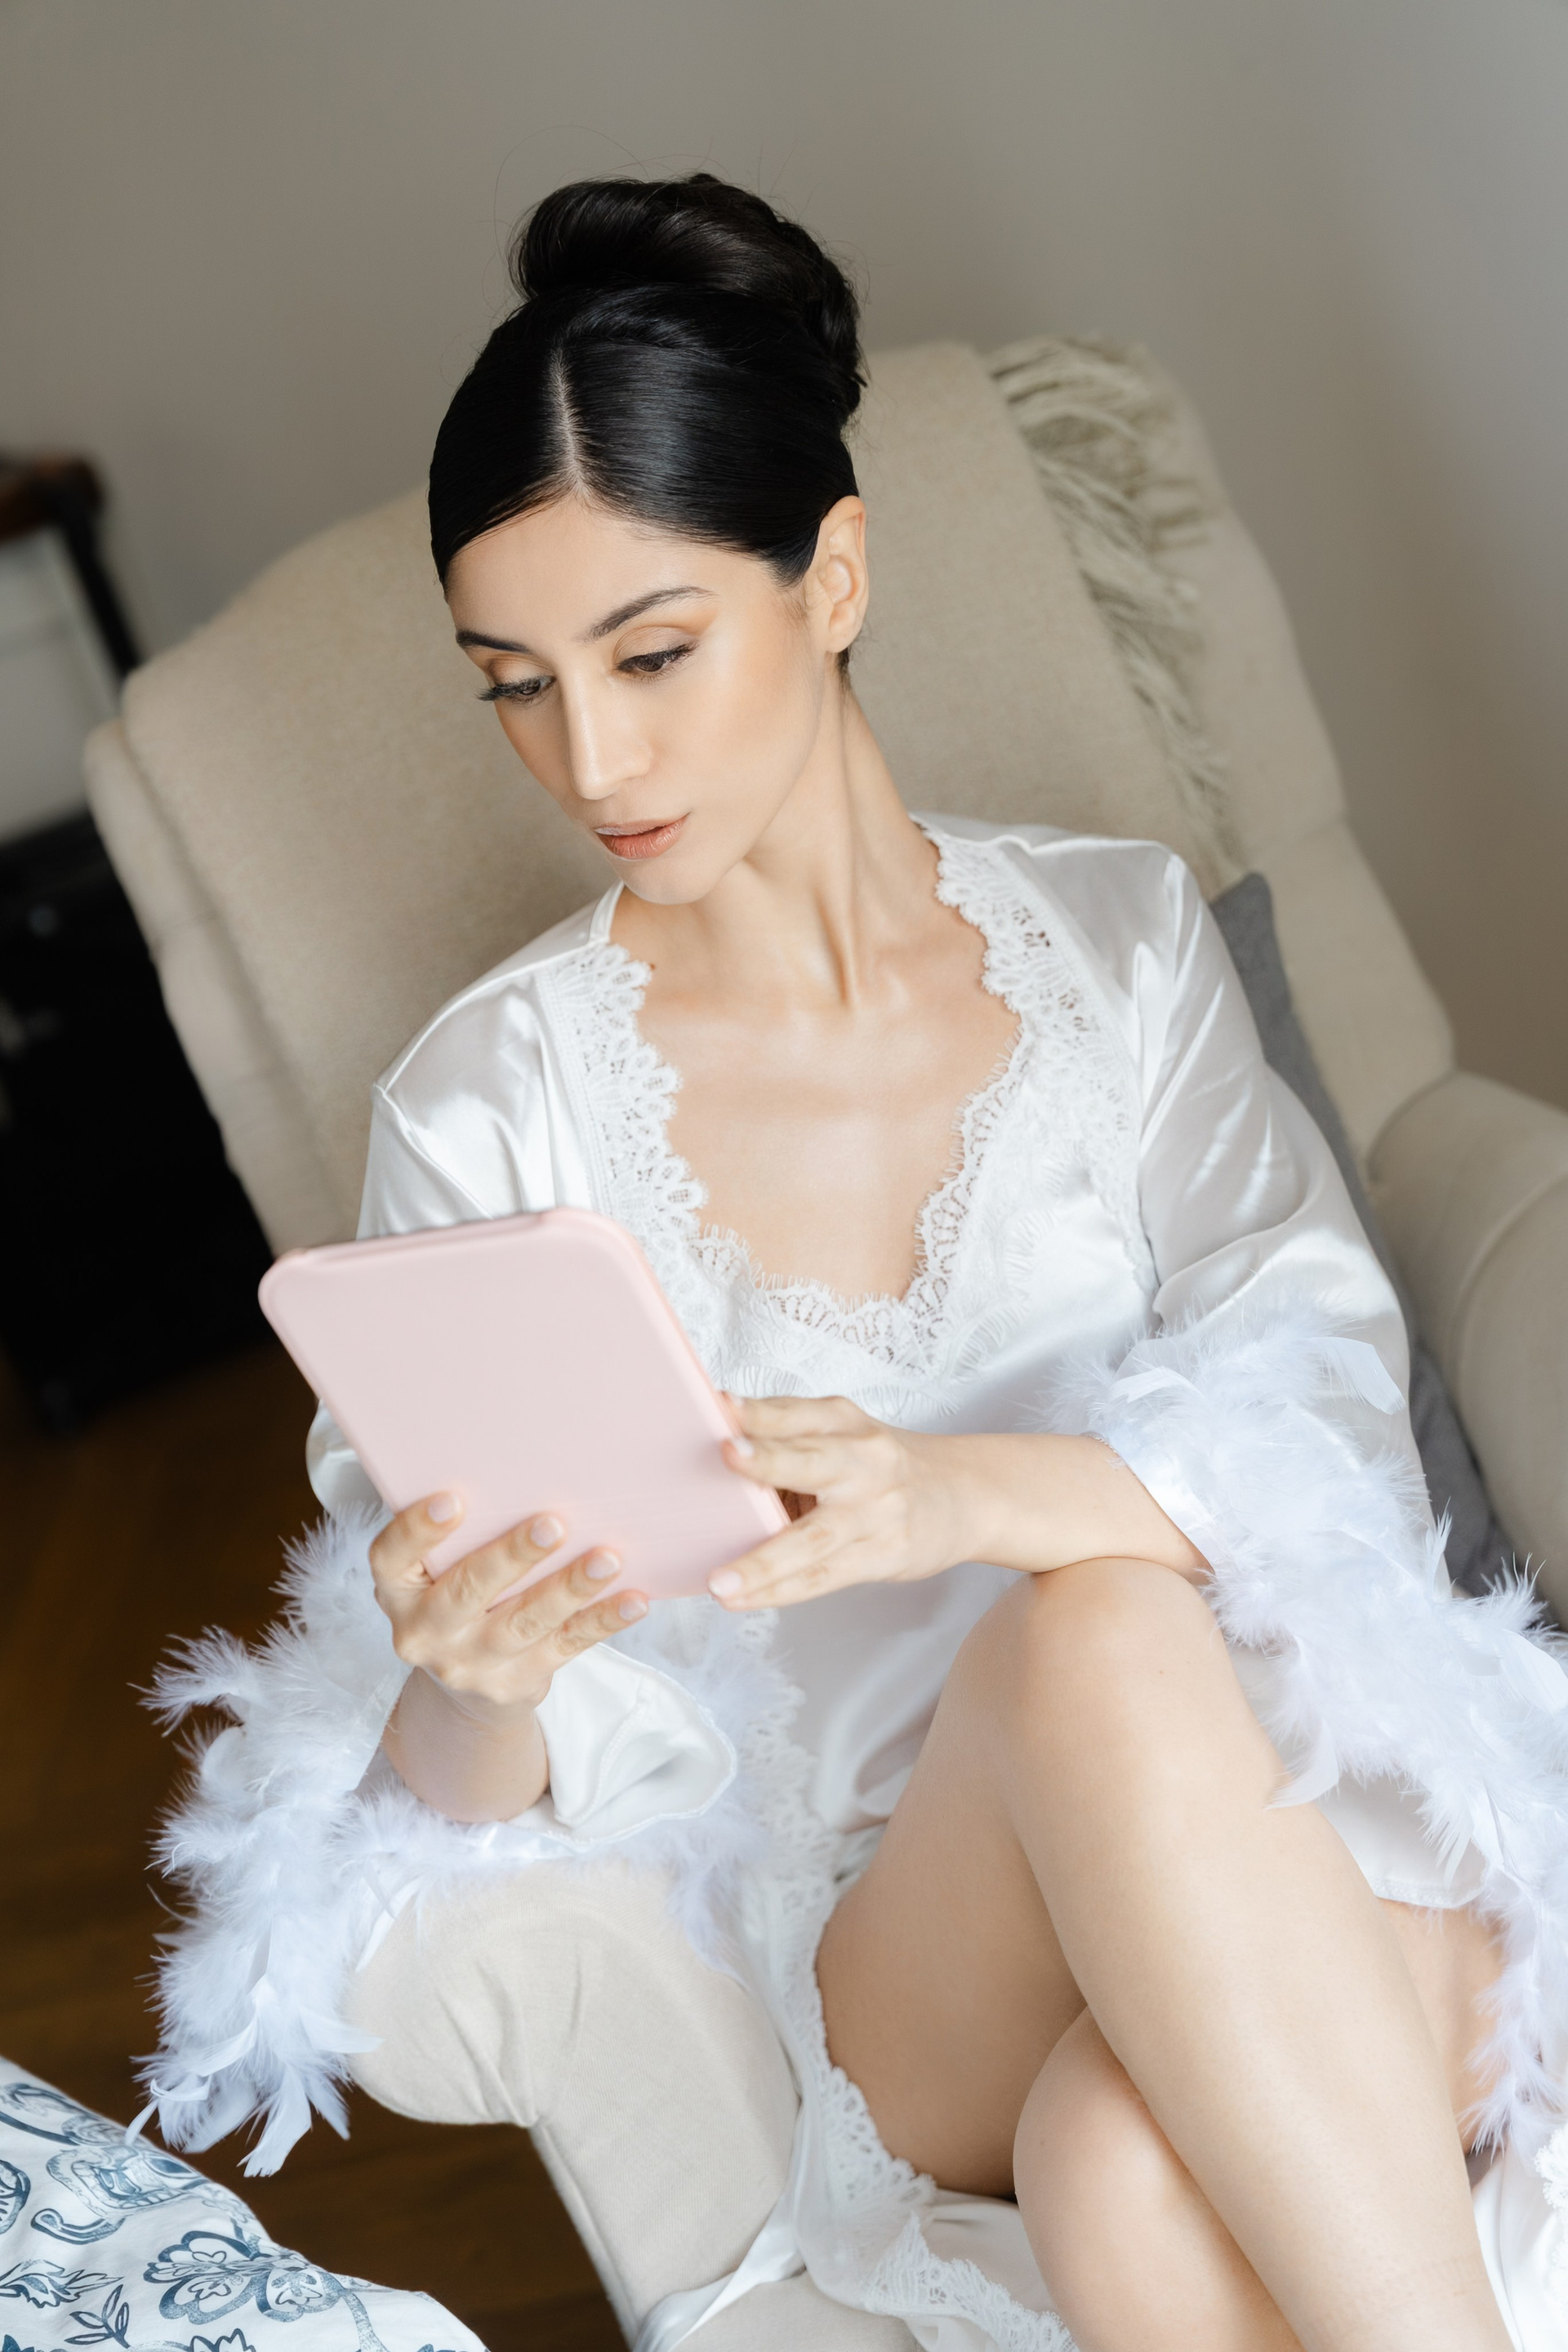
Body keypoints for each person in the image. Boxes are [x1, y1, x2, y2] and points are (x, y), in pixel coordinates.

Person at [146, 174, 1568, 2352]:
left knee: (1125, 2163)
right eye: (515, 686)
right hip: (918, 1954)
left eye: (650, 655)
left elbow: (1327, 1427)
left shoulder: (1116, 944)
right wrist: (475, 1680)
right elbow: (452, 1813)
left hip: (1311, 1803)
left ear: (832, 576)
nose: (590, 760)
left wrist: (955, 1495)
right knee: (1090, 1643)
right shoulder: (489, 1110)